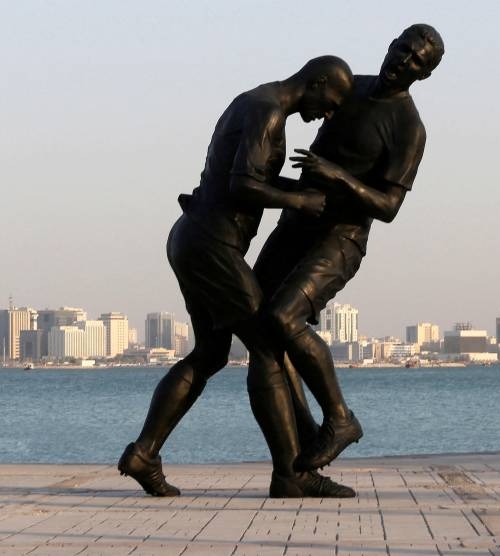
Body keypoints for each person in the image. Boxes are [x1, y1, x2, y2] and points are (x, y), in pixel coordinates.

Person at [119, 56, 356, 498]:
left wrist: (298, 188)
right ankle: (291, 474)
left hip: (191, 238)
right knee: (267, 342)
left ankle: (144, 453)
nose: (327, 114)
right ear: (317, 81)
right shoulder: (268, 112)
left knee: (210, 354)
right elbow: (242, 185)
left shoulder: (254, 100)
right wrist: (300, 203)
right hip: (213, 246)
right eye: (331, 102)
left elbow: (246, 175)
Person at [251, 24, 445, 472]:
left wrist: (338, 175)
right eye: (403, 49)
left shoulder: (408, 128)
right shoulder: (347, 86)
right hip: (297, 221)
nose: (404, 60)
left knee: (284, 317)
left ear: (424, 74)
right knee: (262, 329)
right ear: (391, 44)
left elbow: (390, 206)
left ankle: (340, 419)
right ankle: (300, 450)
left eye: (417, 60)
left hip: (341, 238)